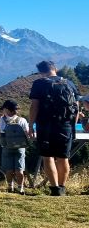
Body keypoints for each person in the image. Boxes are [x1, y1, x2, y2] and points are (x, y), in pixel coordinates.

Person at [29, 61, 80, 196]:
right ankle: (62, 187)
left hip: (45, 126)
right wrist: (72, 125)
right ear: (55, 69)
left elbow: (34, 106)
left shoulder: (39, 84)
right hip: (66, 125)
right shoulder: (69, 83)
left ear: (41, 72)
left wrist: (30, 125)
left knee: (48, 157)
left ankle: (55, 188)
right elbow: (76, 107)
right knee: (63, 158)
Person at [0, 100, 30, 194]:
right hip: (20, 147)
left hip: (6, 147)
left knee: (9, 169)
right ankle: (20, 188)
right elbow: (27, 133)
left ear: (6, 109)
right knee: (20, 169)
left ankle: (10, 186)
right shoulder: (22, 120)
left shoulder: (2, 120)